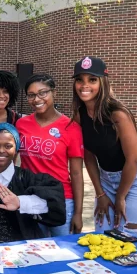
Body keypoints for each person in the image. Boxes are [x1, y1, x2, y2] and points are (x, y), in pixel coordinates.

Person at [71, 56, 137, 238]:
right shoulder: (80, 115)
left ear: (102, 82)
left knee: (129, 240)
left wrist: (120, 196)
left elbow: (133, 159)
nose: (84, 85)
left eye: (92, 80)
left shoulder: (117, 114)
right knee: (102, 238)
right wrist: (100, 194)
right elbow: (88, 157)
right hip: (106, 180)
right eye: (79, 80)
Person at [16, 74, 84, 237]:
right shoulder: (21, 124)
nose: (37, 99)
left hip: (60, 199)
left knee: (64, 252)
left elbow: (76, 173)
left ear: (54, 93)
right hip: (31, 197)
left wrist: (78, 213)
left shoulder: (71, 127)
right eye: (31, 95)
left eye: (42, 93)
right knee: (34, 250)